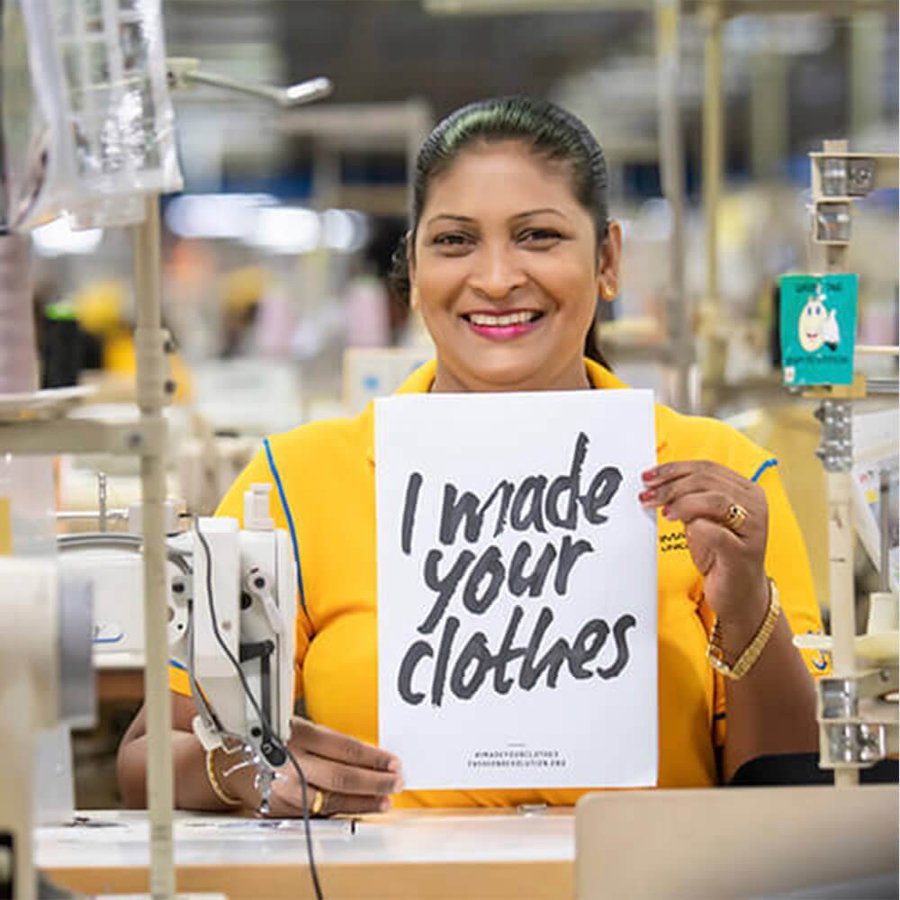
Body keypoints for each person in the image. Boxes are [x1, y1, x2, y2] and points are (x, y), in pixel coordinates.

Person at [118, 96, 824, 817]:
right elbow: (146, 754)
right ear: (414, 271)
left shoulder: (722, 478)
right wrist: (243, 770)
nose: (494, 279)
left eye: (539, 236)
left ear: (607, 259)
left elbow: (793, 786)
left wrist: (745, 605)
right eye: (455, 241)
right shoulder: (298, 481)